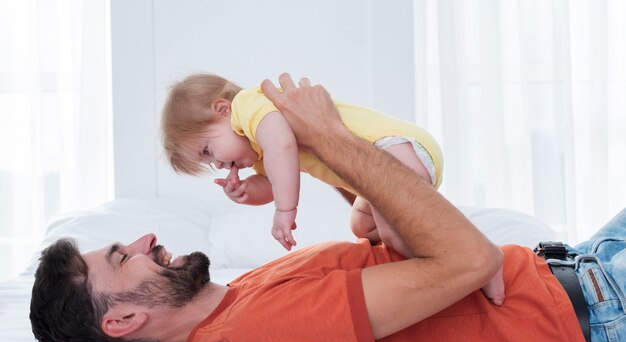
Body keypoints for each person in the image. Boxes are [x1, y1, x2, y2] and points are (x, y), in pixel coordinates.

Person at [30, 74, 622, 342]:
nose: (145, 239)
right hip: (598, 310)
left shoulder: (238, 295)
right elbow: (473, 261)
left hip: (581, 262)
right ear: (125, 318)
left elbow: (393, 241)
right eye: (119, 256)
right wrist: (331, 137)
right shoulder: (262, 328)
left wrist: (326, 162)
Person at [160, 73, 503, 305]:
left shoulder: (251, 107)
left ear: (222, 110)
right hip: (376, 168)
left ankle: (475, 257)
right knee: (363, 227)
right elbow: (272, 178)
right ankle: (460, 252)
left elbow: (282, 150)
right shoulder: (261, 149)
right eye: (209, 165)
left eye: (208, 151)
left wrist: (284, 210)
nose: (217, 164)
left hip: (392, 149)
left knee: (400, 236)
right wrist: (248, 191)